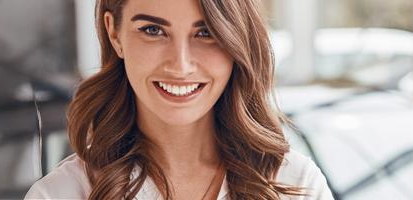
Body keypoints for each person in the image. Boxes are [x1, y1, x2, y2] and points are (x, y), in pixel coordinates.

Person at [24, 0, 331, 199]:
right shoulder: (60, 195)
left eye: (206, 33)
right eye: (153, 30)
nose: (180, 65)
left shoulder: (296, 186)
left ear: (236, 39)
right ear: (114, 33)